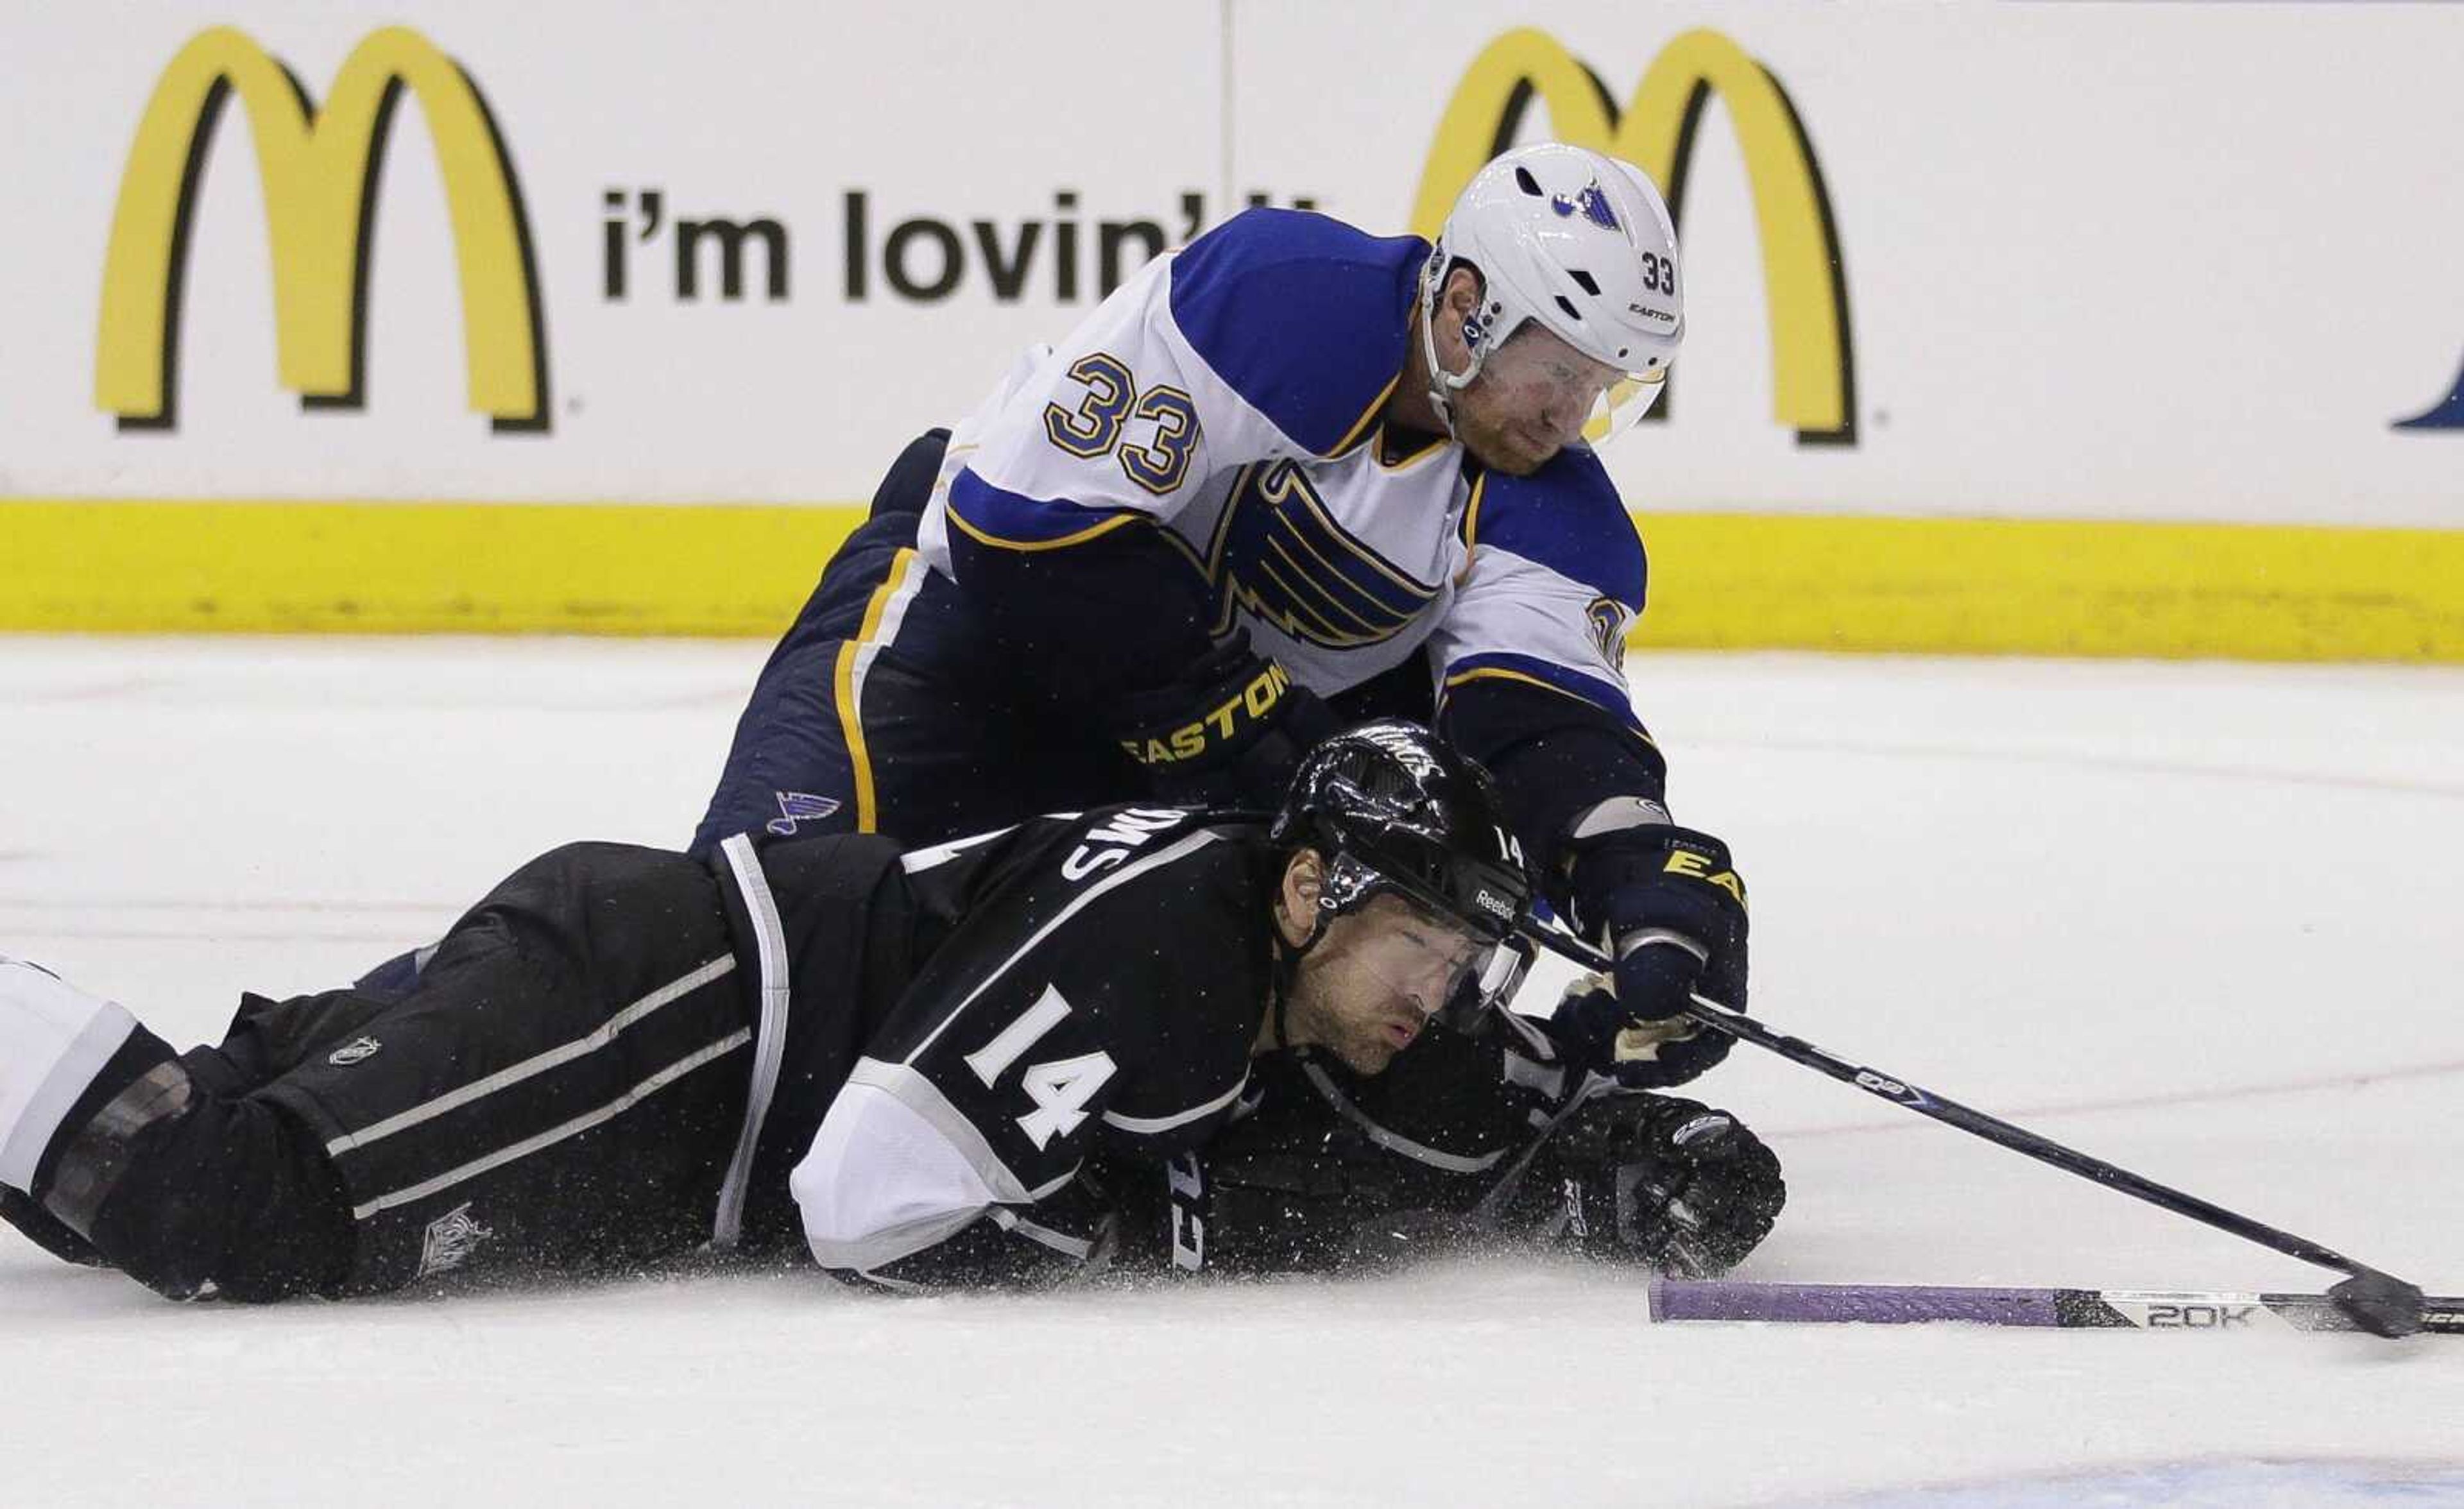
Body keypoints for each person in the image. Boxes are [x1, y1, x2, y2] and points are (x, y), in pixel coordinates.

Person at [683, 142, 1760, 1227]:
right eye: (1562, 368)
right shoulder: (1280, 301)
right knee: (756, 956)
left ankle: (1525, 1129)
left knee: (1275, 1009)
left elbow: (1533, 728)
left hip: (1186, 749)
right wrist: (1242, 717)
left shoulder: (1548, 510)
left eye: (1605, 385)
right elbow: (1022, 532)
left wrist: (1636, 874)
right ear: (1468, 307)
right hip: (966, 640)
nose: (1572, 414)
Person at [0, 724, 1779, 1300]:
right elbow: (862, 1200)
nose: (1440, 993)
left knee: (168, 1133)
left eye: (1466, 964)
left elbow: (1509, 1096)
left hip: (673, 1088)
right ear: (1311, 887)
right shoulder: (1163, 941)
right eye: (1424, 946)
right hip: (671, 1015)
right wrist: (1131, 1238)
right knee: (227, 1207)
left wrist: (1648, 1152)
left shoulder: (1304, 969)